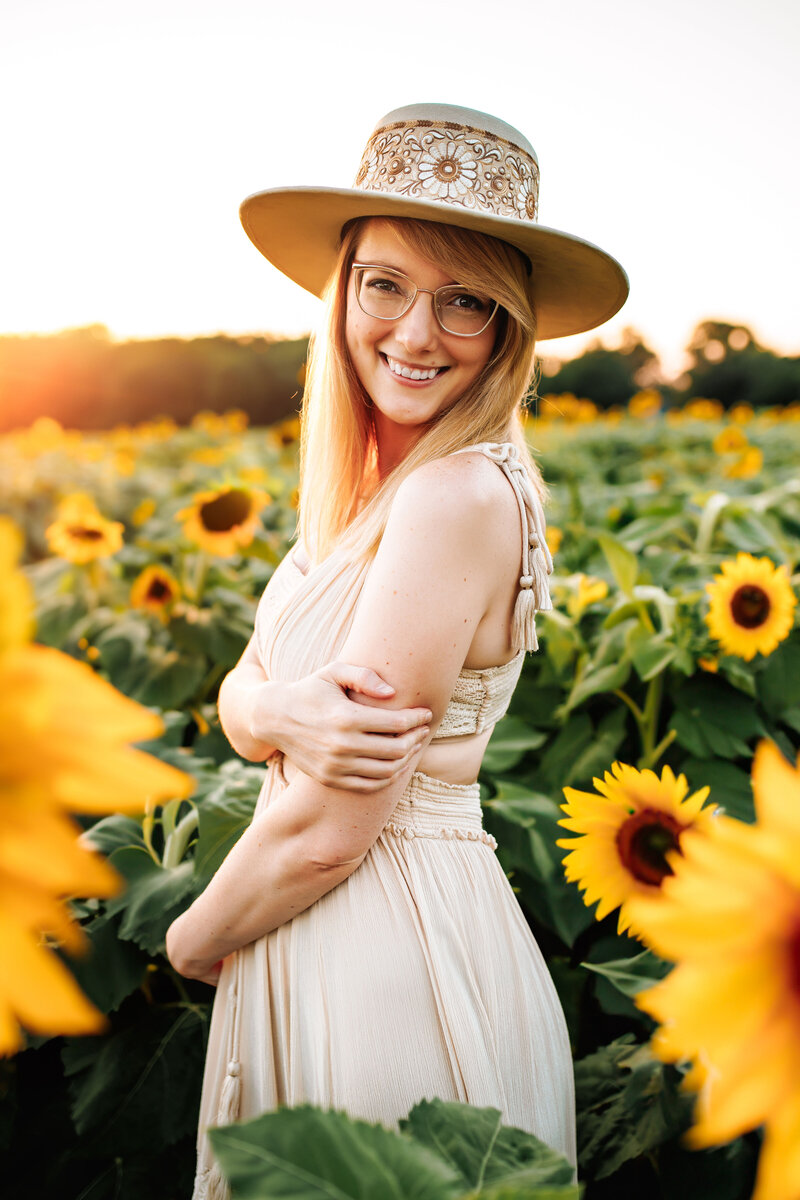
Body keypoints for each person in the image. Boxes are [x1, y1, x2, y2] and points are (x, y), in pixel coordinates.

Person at [165, 102, 628, 1199]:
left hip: (384, 954)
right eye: (385, 284)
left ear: (507, 330)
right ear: (342, 292)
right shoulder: (379, 486)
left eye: (464, 300)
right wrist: (272, 716)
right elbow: (251, 680)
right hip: (344, 925)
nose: (416, 334)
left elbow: (333, 828)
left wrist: (187, 940)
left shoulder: (452, 496)